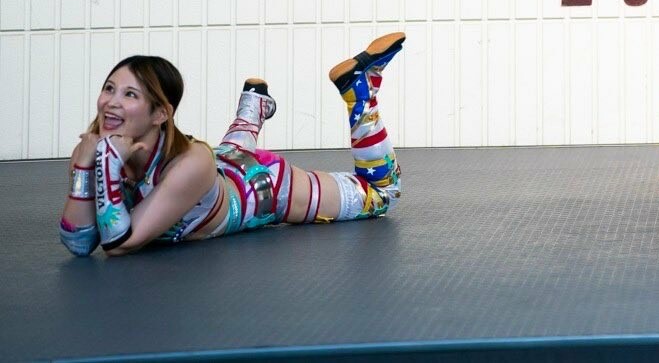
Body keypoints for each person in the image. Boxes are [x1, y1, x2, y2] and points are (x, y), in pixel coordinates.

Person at [59, 33, 406, 256]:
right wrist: (84, 166)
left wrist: (103, 164)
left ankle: (361, 91)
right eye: (109, 89)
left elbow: (118, 243)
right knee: (231, 151)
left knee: (382, 194)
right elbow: (79, 243)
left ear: (160, 114)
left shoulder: (191, 163)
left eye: (129, 95)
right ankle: (254, 103)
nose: (111, 102)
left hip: (262, 186)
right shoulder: (92, 149)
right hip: (227, 161)